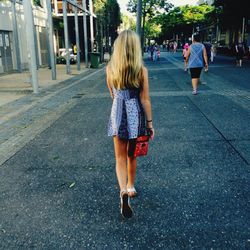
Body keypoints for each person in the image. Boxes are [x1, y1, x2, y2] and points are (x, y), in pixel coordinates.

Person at [106, 30, 154, 218]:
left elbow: (112, 95)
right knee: (131, 156)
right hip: (135, 116)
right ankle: (130, 186)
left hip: (117, 114)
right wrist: (149, 124)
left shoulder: (110, 69)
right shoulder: (141, 71)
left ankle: (122, 191)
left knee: (119, 157)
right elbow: (145, 99)